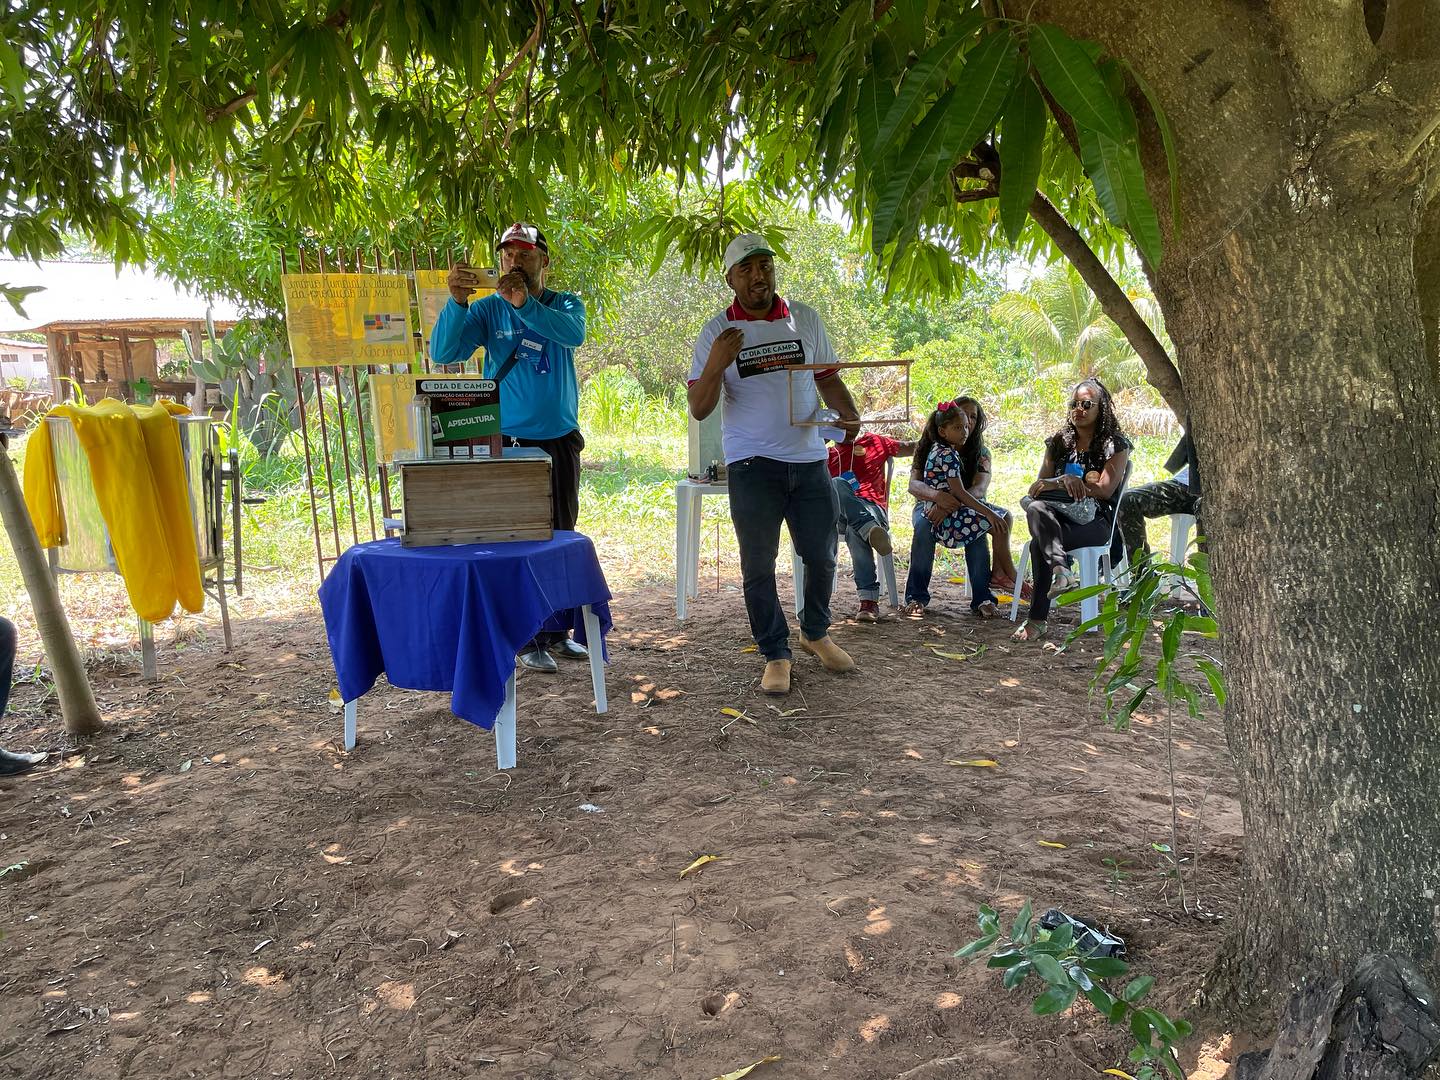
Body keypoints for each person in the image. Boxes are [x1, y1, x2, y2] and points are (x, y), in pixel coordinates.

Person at [689, 233, 862, 696]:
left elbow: (827, 380)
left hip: (808, 460)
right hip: (751, 465)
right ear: (730, 279)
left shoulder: (804, 319)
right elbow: (699, 406)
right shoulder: (716, 331)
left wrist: (850, 417)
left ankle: (815, 633)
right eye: (745, 268)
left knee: (822, 554)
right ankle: (775, 652)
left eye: (764, 264)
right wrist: (717, 362)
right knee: (759, 566)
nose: (757, 275)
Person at [433, 222, 588, 674]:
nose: (514, 262)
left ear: (544, 260)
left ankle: (558, 634)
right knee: (518, 536)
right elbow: (444, 352)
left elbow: (571, 334)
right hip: (511, 442)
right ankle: (525, 639)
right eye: (507, 254)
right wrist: (458, 301)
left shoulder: (565, 304)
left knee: (559, 534)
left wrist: (525, 305)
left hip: (558, 440)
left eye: (524, 254)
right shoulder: (488, 312)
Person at [1011, 378, 1131, 642]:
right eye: (1074, 404)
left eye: (1087, 404)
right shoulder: (1059, 442)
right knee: (1037, 507)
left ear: (1102, 408)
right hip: (1058, 517)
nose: (1079, 409)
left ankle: (1038, 619)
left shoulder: (1115, 444)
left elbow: (1105, 490)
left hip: (1096, 522)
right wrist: (1062, 480)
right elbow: (1038, 487)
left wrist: (1079, 485)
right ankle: (1061, 571)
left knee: (1037, 545)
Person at [905, 395, 1018, 618]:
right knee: (923, 528)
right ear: (945, 427)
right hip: (929, 504)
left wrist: (949, 505)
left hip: (964, 505)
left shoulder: (980, 453)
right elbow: (914, 484)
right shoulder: (930, 446)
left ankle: (983, 597)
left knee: (976, 533)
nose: (968, 424)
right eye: (962, 417)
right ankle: (916, 597)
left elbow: (979, 489)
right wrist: (937, 497)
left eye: (972, 418)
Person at [828, 431, 915, 621]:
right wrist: (817, 443)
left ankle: (868, 601)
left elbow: (912, 447)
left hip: (873, 508)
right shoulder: (826, 455)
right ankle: (868, 529)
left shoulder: (874, 442)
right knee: (837, 483)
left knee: (855, 530)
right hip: (840, 516)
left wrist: (940, 430)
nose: (845, 426)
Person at [1118, 428, 1201, 563]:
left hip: (1216, 495)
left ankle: (1209, 578)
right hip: (1184, 484)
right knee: (1128, 499)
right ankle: (1142, 573)